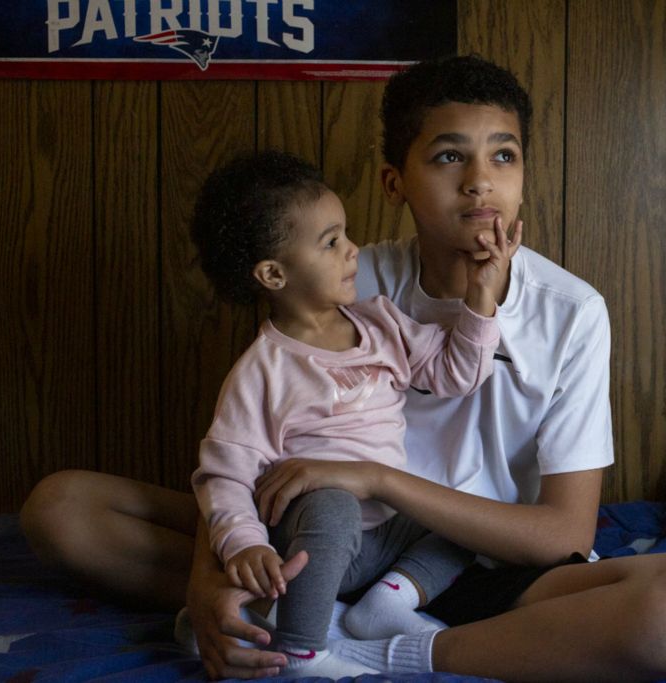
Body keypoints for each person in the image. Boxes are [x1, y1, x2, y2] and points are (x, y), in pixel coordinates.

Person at [20, 54, 666, 681]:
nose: (479, 183)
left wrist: (376, 478)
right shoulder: (341, 278)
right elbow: (246, 449)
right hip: (313, 535)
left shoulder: (573, 310)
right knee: (62, 507)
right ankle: (295, 608)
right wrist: (210, 581)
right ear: (395, 183)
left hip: (472, 561)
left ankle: (375, 651)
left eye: (504, 155)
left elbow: (563, 532)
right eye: (448, 156)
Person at [186, 151, 516, 678]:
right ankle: (299, 650)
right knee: (333, 505)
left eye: (345, 236)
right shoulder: (262, 372)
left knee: (468, 514)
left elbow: (458, 373)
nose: (352, 250)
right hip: (308, 542)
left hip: (386, 534)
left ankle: (387, 602)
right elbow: (224, 474)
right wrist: (244, 543)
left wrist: (480, 297)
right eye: (331, 242)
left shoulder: (379, 323)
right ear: (273, 274)